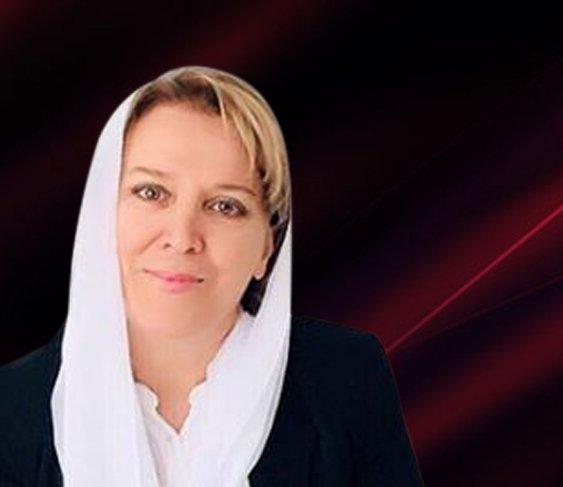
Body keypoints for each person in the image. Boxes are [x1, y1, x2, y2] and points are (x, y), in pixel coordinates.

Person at [0, 66, 424, 486]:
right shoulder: (10, 411)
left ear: (267, 247)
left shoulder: (346, 379)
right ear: (101, 212)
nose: (182, 237)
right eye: (151, 192)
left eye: (225, 206)